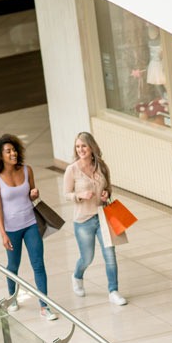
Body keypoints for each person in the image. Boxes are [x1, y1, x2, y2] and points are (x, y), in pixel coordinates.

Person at [0, 134, 55, 320]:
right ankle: (12, 296)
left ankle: (44, 306)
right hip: (11, 228)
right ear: (0, 156)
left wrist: (34, 193)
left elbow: (32, 194)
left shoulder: (26, 170)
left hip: (30, 223)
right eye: (8, 151)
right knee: (13, 265)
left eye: (14, 150)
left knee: (38, 265)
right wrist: (2, 234)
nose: (13, 153)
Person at [63, 131, 126, 306]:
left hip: (103, 216)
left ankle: (113, 291)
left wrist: (106, 193)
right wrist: (80, 195)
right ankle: (77, 276)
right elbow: (66, 194)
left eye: (84, 145)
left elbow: (108, 187)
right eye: (78, 146)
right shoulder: (72, 169)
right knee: (87, 257)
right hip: (83, 220)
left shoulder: (101, 166)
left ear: (91, 147)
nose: (81, 149)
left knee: (110, 255)